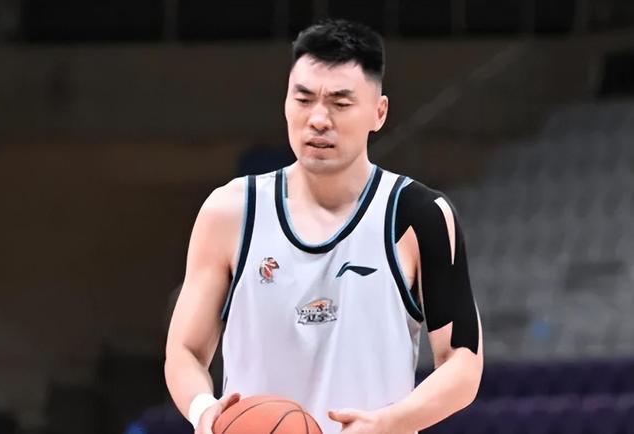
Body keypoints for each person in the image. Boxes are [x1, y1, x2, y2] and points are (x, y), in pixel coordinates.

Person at [165, 19, 483, 434]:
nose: (318, 119)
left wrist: (389, 422)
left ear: (379, 112)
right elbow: (185, 351)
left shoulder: (420, 215)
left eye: (339, 102)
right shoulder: (230, 212)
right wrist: (203, 410)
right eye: (303, 99)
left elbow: (462, 363)